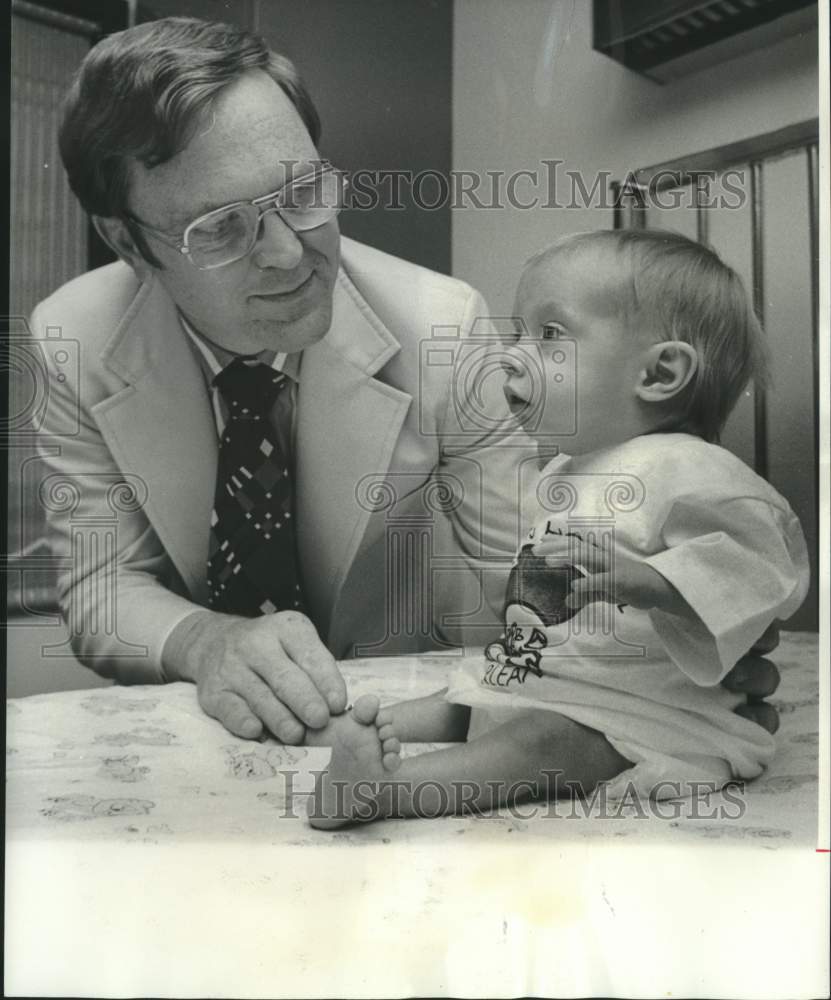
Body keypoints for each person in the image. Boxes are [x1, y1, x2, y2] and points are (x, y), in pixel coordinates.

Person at [34, 17, 780, 744]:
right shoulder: (74, 337)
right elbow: (101, 590)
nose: (290, 256)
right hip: (198, 724)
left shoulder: (441, 324)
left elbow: (524, 564)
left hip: (390, 707)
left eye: (302, 193)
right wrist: (204, 641)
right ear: (127, 240)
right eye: (221, 229)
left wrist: (666, 657)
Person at [305, 230, 809, 827]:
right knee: (461, 697)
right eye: (517, 332)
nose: (513, 354)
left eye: (549, 336)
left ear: (660, 372)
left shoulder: (695, 469)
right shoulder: (571, 467)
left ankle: (382, 792)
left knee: (535, 746)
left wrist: (652, 583)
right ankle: (349, 729)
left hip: (627, 714)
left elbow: (762, 566)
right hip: (540, 676)